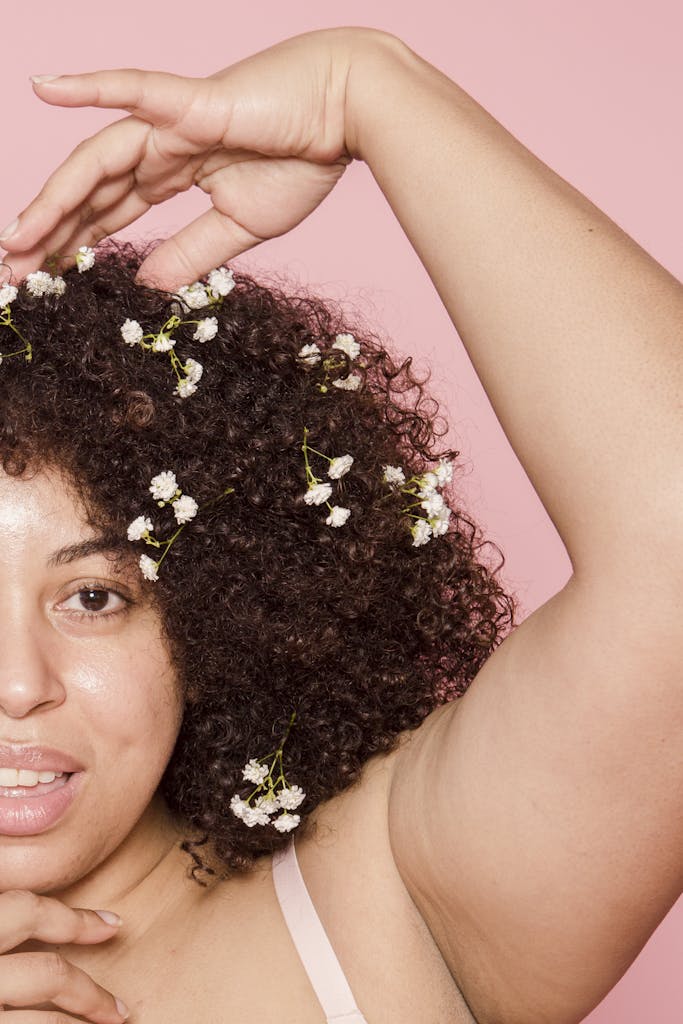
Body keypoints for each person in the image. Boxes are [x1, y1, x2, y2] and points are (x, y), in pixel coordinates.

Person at [0, 26, 680, 1024]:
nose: (20, 683)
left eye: (96, 596)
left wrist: (366, 91)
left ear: (214, 617)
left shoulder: (378, 902)